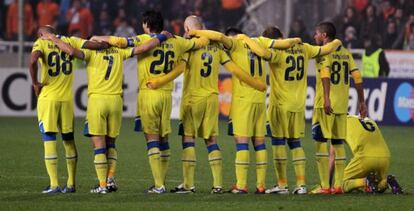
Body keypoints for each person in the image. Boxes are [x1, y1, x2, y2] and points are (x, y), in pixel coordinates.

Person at [92, 10, 209, 194]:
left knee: (152, 140)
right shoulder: (176, 41)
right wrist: (193, 32)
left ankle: (159, 185)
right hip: (166, 96)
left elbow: (119, 41)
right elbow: (200, 42)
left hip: (149, 92)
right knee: (164, 140)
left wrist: (98, 37)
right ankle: (160, 182)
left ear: (146, 24)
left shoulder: (142, 40)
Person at [43, 28, 172, 194]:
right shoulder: (119, 51)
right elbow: (143, 48)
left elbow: (70, 50)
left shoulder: (89, 53)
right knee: (111, 143)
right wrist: (162, 36)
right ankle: (110, 179)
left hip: (98, 101)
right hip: (116, 102)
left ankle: (102, 185)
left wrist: (52, 38)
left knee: (98, 146)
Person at [147, 16, 266, 194]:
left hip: (193, 99)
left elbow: (180, 69)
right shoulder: (217, 47)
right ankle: (217, 185)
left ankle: (188, 185)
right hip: (211, 98)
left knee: (188, 140)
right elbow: (234, 69)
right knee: (212, 141)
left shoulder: (191, 46)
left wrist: (158, 81)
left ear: (188, 29)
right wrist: (257, 84)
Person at [236, 26, 342, 195]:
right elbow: (326, 49)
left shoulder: (277, 53)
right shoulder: (304, 48)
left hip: (280, 105)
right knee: (295, 143)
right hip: (299, 105)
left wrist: (244, 38)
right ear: (282, 36)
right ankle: (301, 185)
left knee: (278, 143)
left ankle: (282, 184)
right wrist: (337, 41)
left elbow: (262, 54)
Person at [187, 27, 293, 194]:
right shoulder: (258, 42)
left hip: (243, 100)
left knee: (241, 143)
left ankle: (242, 185)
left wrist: (194, 32)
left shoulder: (235, 44)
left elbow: (219, 36)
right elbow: (280, 45)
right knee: (259, 144)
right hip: (259, 100)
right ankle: (260, 185)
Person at [29, 25, 107, 194]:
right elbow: (91, 45)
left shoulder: (40, 43)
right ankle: (71, 184)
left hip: (48, 99)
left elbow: (33, 61)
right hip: (66, 100)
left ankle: (54, 184)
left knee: (49, 140)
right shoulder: (69, 41)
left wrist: (35, 83)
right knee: (68, 141)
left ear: (41, 34)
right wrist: (103, 45)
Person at [311, 22, 367, 194]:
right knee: (337, 143)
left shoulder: (324, 52)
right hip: (343, 104)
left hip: (325, 104)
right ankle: (338, 186)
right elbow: (357, 77)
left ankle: (324, 186)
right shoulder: (346, 53)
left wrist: (327, 98)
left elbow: (325, 75)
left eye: (317, 33)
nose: (315, 37)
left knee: (320, 142)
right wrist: (362, 102)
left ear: (325, 36)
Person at [341, 115, 403, 194]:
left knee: (342, 184)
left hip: (365, 158)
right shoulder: (367, 119)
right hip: (385, 157)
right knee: (377, 185)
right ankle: (387, 181)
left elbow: (333, 156)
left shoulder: (340, 123)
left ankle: (365, 181)